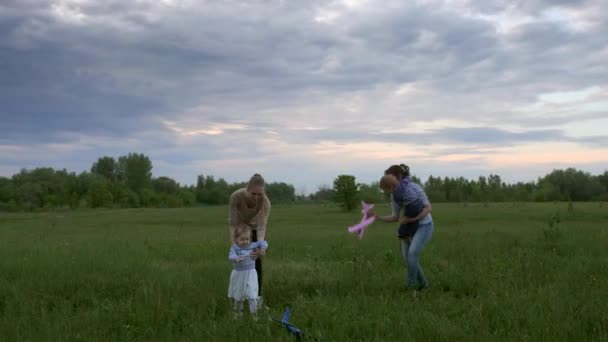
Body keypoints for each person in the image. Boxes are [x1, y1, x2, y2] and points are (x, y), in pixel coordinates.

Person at [373, 164, 434, 290]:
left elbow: (428, 208)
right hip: (408, 227)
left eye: (392, 178)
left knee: (412, 254)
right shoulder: (394, 195)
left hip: (424, 225)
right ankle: (424, 286)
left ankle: (410, 287)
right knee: (409, 260)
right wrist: (377, 217)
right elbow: (395, 217)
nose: (392, 183)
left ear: (399, 177)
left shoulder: (414, 188)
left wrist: (412, 219)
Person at [228, 173, 271, 308]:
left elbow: (261, 226)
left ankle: (256, 297)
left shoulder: (265, 202)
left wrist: (260, 248)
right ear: (247, 189)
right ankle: (239, 296)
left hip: (254, 229)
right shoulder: (236, 197)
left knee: (256, 263)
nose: (257, 197)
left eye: (260, 194)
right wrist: (235, 247)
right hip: (240, 229)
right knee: (240, 265)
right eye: (253, 194)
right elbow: (233, 223)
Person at [228, 225, 268, 318]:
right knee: (238, 296)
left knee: (252, 295)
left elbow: (264, 243)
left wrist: (262, 248)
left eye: (247, 239)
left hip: (251, 274)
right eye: (242, 239)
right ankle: (238, 315)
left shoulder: (252, 245)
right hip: (239, 274)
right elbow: (231, 256)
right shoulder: (235, 248)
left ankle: (254, 315)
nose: (245, 242)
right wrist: (236, 258)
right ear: (236, 239)